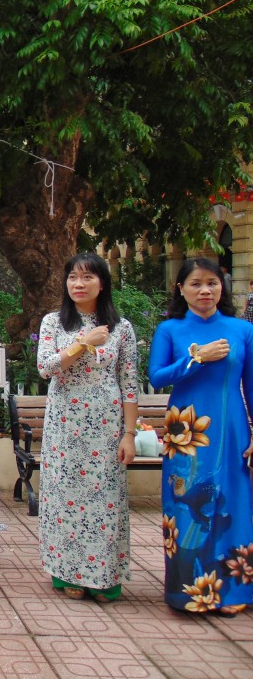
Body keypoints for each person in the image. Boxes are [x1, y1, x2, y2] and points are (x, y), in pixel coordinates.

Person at [149, 257, 253, 615]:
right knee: (187, 510)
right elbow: (157, 377)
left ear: (221, 286)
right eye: (195, 284)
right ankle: (190, 593)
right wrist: (197, 358)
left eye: (212, 282)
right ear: (181, 289)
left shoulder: (243, 330)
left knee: (234, 505)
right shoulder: (171, 330)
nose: (205, 290)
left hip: (233, 429)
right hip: (186, 431)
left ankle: (234, 594)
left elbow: (251, 387)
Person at [37, 253, 139, 602]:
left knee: (104, 498)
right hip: (64, 421)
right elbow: (46, 367)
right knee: (64, 497)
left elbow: (129, 383)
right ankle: (67, 574)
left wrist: (129, 434)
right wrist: (84, 343)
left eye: (87, 278)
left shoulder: (121, 328)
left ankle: (104, 576)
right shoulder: (54, 322)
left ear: (103, 282)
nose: (78, 284)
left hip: (106, 423)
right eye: (72, 278)